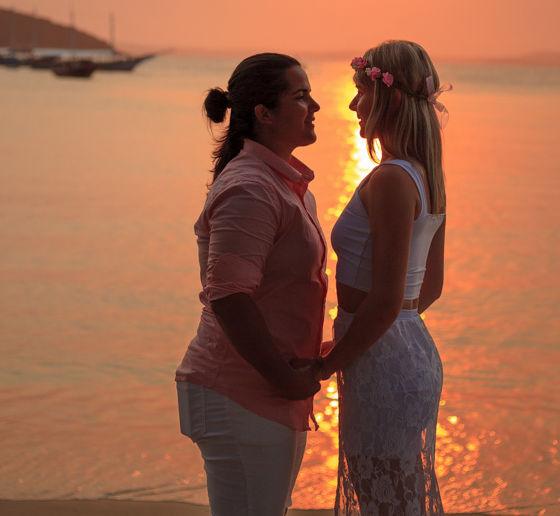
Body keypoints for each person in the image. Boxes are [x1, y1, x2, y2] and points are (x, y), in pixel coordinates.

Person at [175, 52, 328, 515]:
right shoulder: (252, 187)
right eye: (300, 96)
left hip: (263, 389)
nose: (315, 105)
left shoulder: (280, 183)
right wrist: (285, 379)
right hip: (242, 389)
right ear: (264, 113)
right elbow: (229, 296)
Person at [319, 40, 449, 515]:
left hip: (383, 359)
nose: (353, 104)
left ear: (390, 98)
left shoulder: (393, 179)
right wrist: (388, 335)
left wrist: (326, 364)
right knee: (397, 495)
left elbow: (387, 298)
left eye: (360, 91)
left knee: (384, 501)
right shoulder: (425, 175)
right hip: (406, 350)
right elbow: (426, 289)